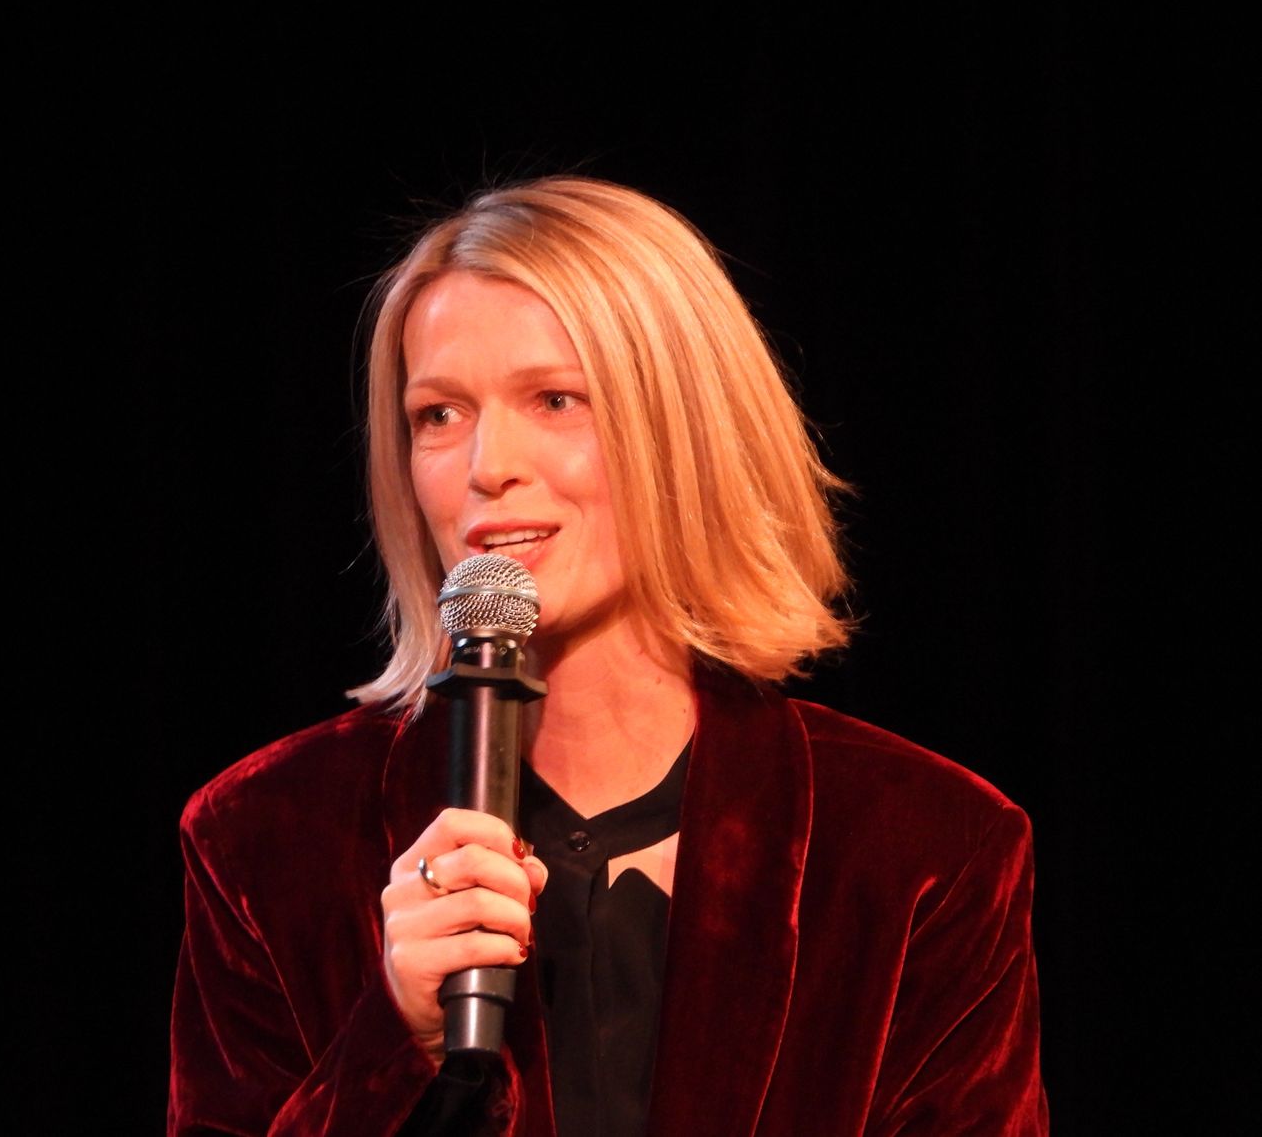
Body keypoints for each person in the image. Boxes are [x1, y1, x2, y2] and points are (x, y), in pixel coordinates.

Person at [166, 176, 1048, 1135]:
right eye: (439, 415)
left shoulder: (921, 847)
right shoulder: (267, 837)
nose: (487, 467)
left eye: (556, 400)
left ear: (686, 434)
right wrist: (392, 1044)